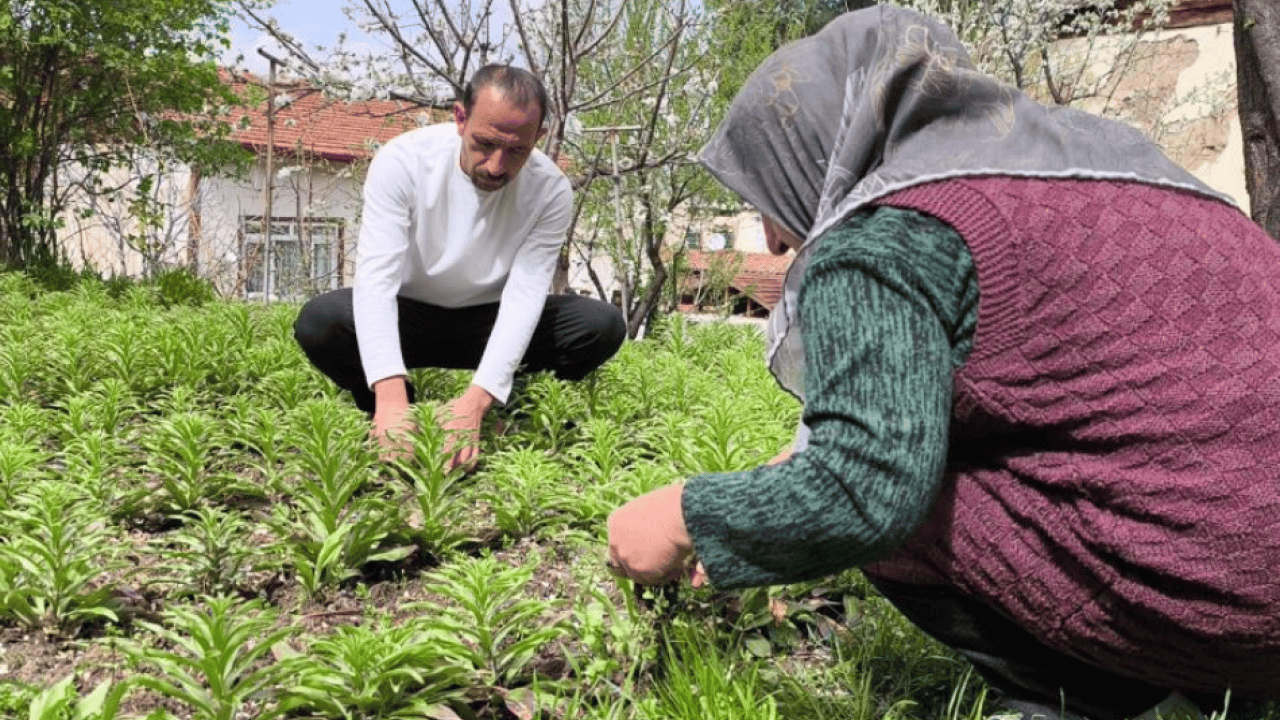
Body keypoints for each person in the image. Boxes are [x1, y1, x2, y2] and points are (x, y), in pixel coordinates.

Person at [606, 5, 1280, 719]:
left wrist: (684, 519)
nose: (774, 239)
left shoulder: (886, 236)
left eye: (769, 193)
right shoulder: (1113, 167)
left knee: (907, 505)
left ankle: (1106, 698)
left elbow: (863, 488)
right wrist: (777, 496)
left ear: (819, 155)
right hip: (1241, 561)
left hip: (1239, 606)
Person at [294, 64, 626, 467]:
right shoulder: (403, 161)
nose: (496, 166)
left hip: (488, 320)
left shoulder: (551, 189)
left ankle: (502, 401)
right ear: (460, 118)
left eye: (517, 151)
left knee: (600, 325)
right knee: (321, 321)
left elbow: (525, 295)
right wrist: (390, 397)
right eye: (485, 144)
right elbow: (376, 281)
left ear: (538, 138)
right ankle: (394, 409)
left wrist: (477, 400)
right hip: (410, 316)